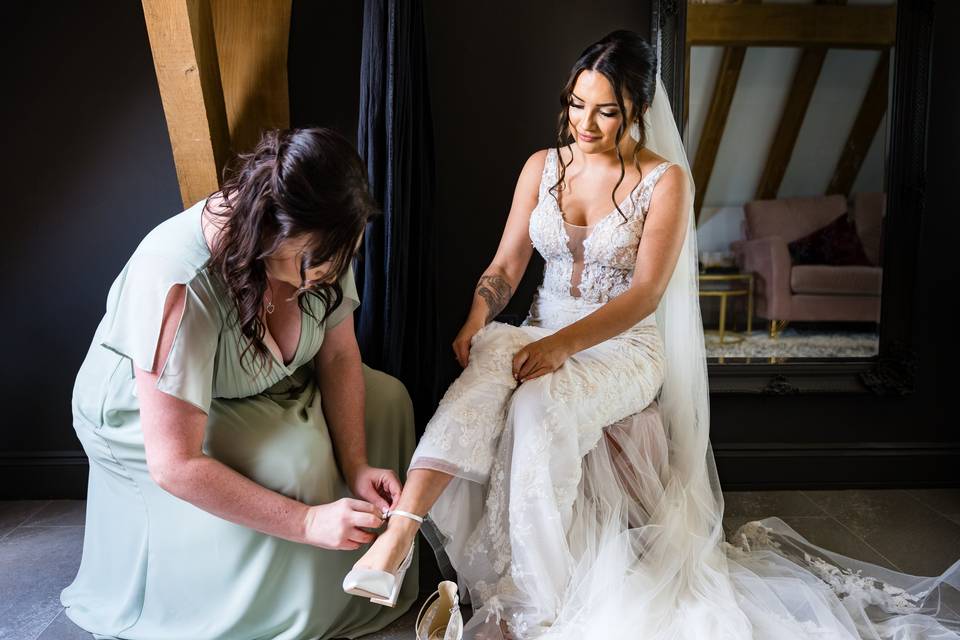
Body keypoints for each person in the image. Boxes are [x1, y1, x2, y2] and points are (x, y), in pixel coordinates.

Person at [342, 30, 960, 639]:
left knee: (539, 408)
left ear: (636, 110)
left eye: (605, 111)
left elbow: (644, 295)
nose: (584, 123)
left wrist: (562, 346)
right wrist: (477, 322)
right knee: (485, 370)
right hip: (540, 329)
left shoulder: (663, 182)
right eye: (576, 105)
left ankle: (534, 600)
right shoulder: (542, 166)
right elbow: (507, 265)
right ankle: (401, 532)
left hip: (622, 347)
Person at [62, 127, 420, 639]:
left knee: (389, 401)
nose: (332, 272)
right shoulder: (180, 281)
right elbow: (175, 464)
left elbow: (340, 354)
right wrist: (306, 523)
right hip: (156, 408)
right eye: (317, 261)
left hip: (260, 376)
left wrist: (358, 462)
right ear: (271, 230)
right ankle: (276, 611)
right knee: (293, 461)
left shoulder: (327, 238)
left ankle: (363, 579)